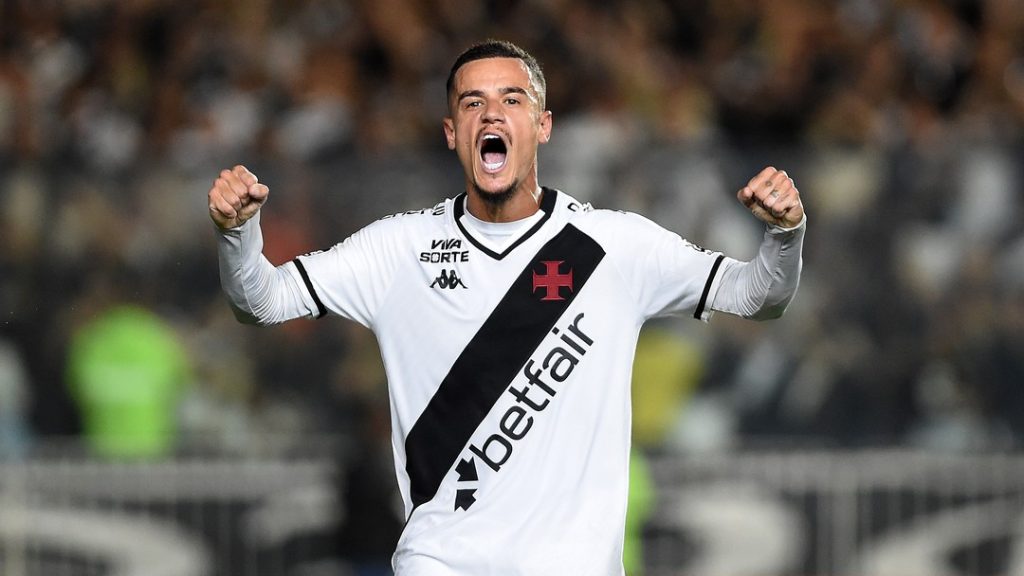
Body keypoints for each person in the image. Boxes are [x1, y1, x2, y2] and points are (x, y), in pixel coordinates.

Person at [208, 40, 805, 576]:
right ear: (451, 132)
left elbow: (757, 297)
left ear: (543, 126)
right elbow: (263, 301)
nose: (491, 114)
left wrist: (785, 235)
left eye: (511, 100)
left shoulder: (615, 246)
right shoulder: (399, 248)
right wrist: (238, 235)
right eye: (473, 103)